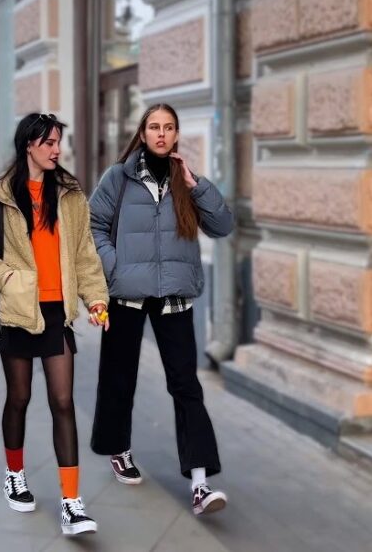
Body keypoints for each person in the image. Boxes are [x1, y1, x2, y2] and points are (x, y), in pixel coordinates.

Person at [0, 113, 109, 537]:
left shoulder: (71, 196)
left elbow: (84, 254)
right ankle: (15, 474)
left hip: (57, 312)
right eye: (50, 142)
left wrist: (96, 299)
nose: (57, 149)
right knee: (19, 397)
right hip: (18, 312)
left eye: (59, 141)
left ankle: (72, 503)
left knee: (63, 401)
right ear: (29, 145)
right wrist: (7, 277)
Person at [87, 103, 234, 517]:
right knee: (118, 379)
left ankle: (201, 484)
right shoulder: (119, 176)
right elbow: (93, 224)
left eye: (169, 127)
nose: (161, 134)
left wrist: (197, 184)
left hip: (174, 297)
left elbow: (223, 226)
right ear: (143, 132)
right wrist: (113, 267)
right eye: (154, 126)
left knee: (186, 385)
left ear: (176, 134)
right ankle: (118, 449)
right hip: (127, 295)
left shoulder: (186, 181)